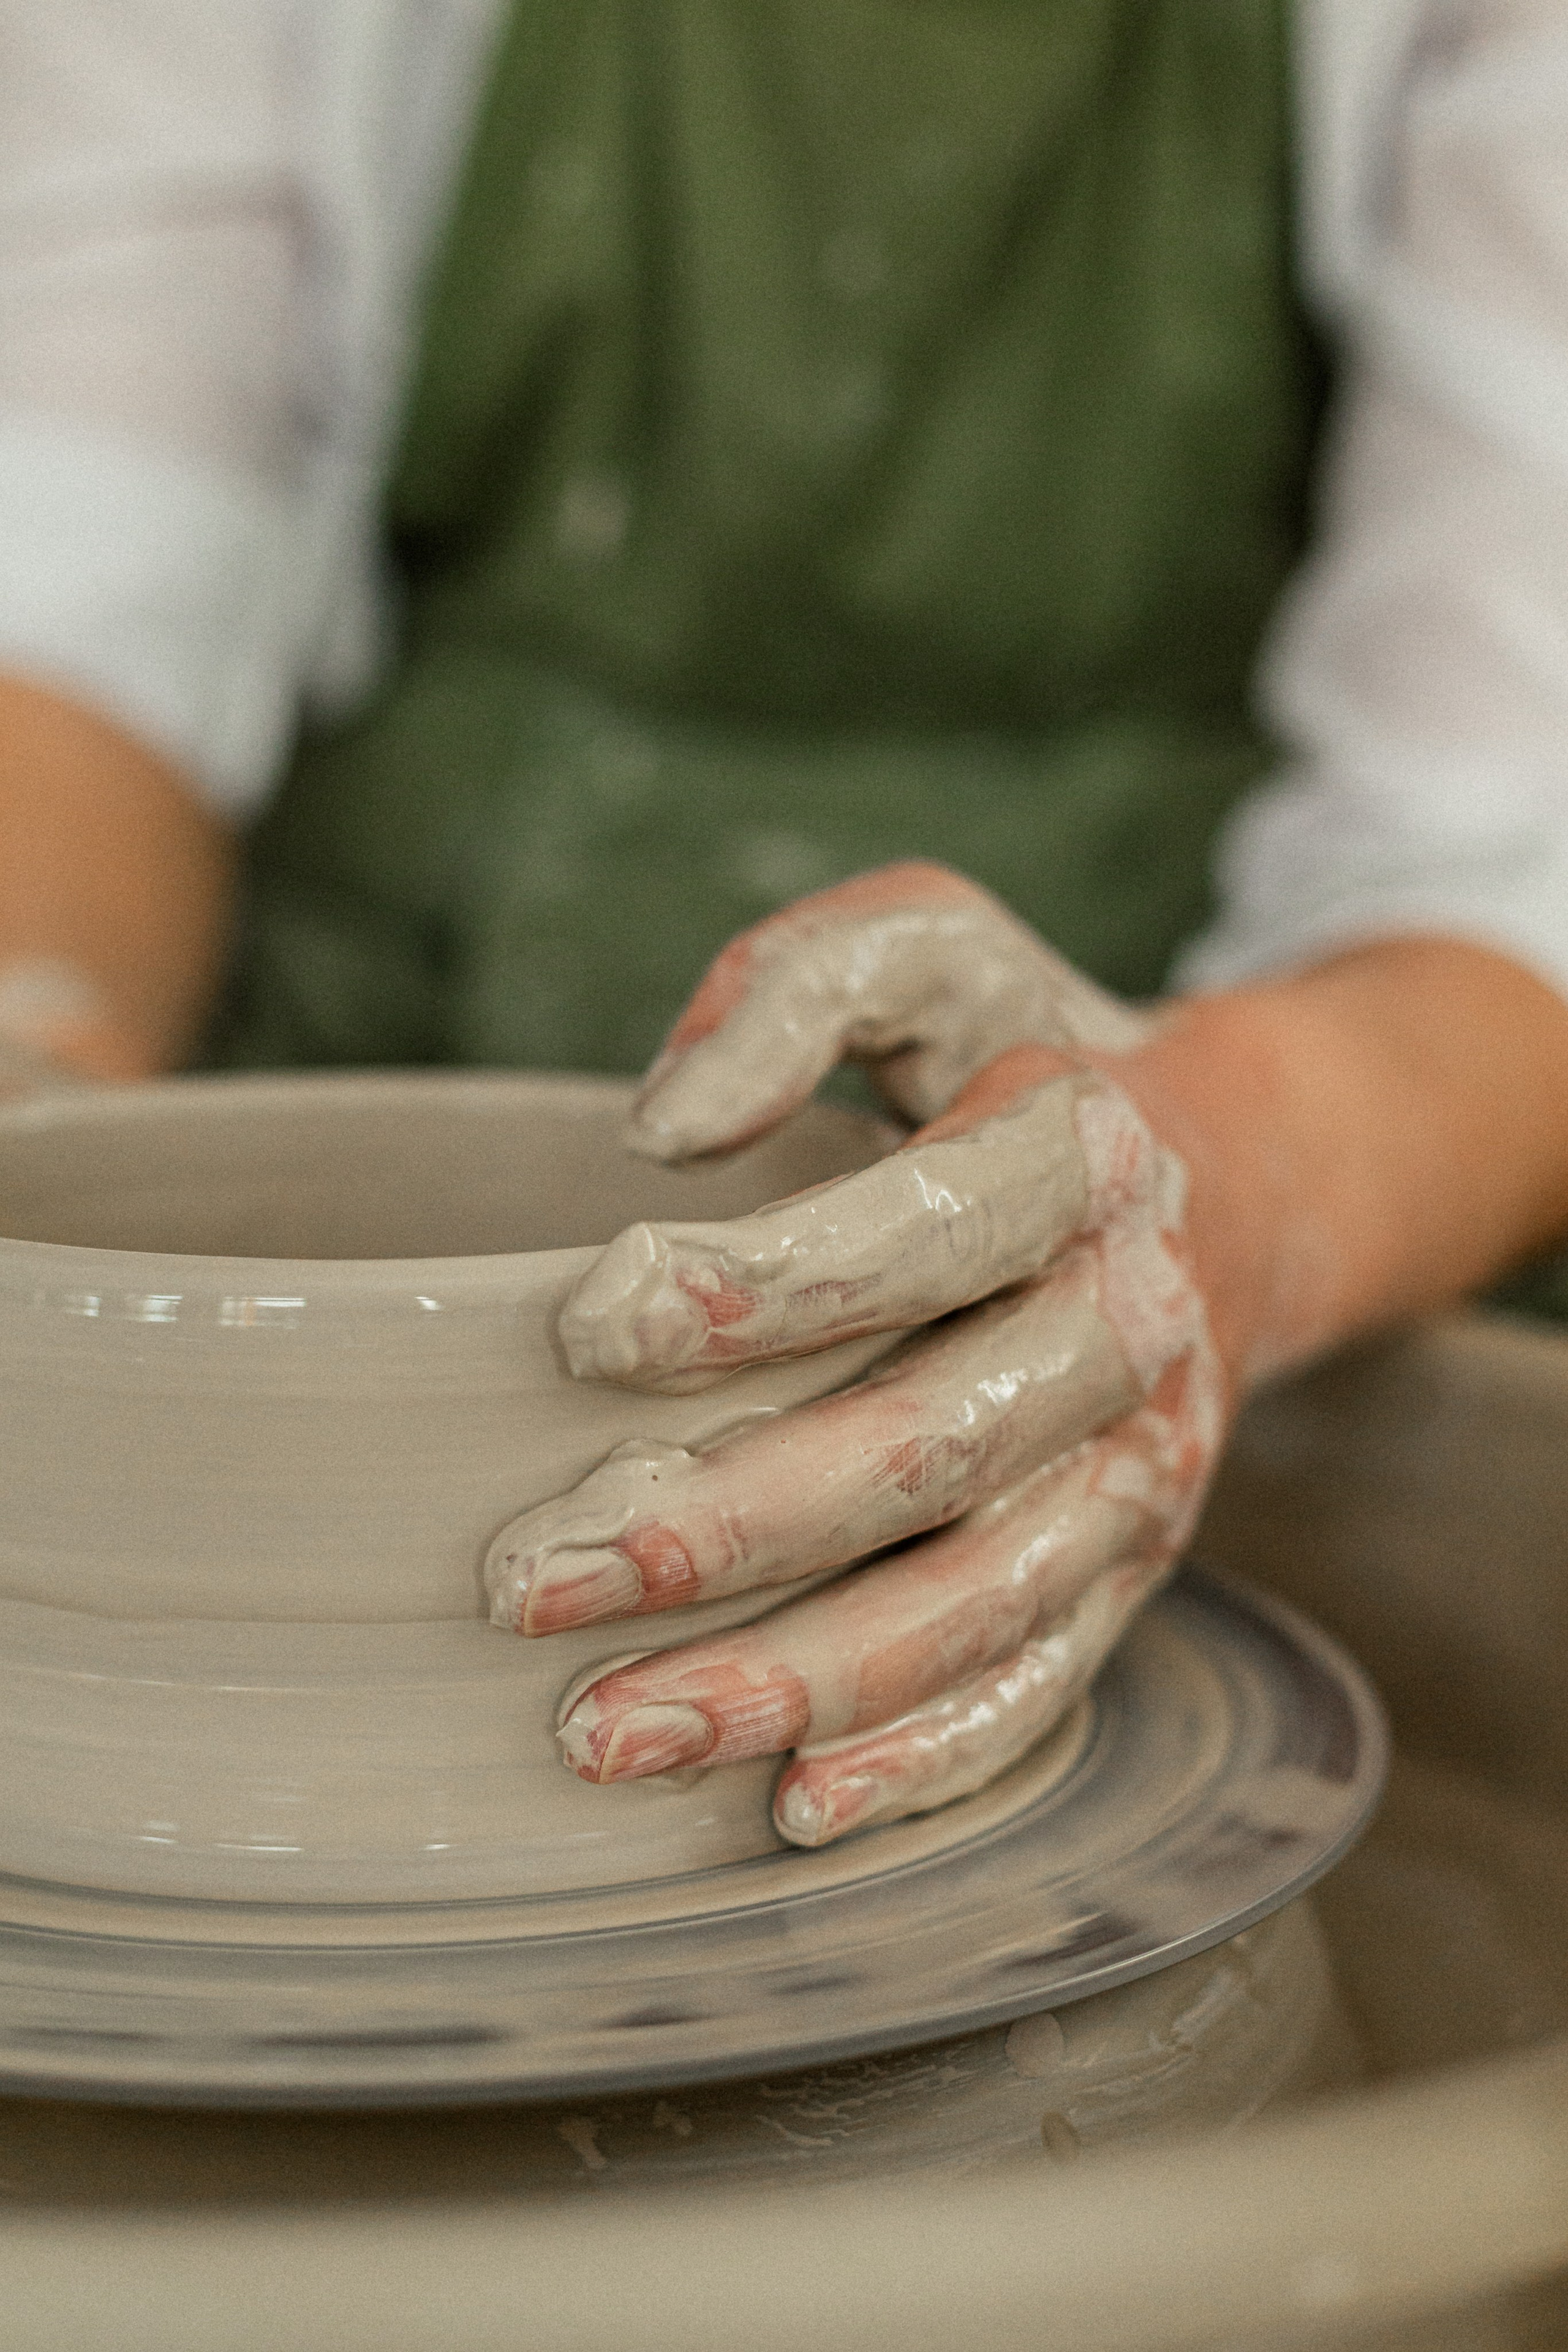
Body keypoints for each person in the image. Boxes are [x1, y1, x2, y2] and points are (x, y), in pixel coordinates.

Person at [3, 0, 1568, 1844]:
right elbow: (76, 576)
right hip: (359, 982)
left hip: (1213, 1055)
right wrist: (40, 1075)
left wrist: (1233, 1191)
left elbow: (1511, 837)